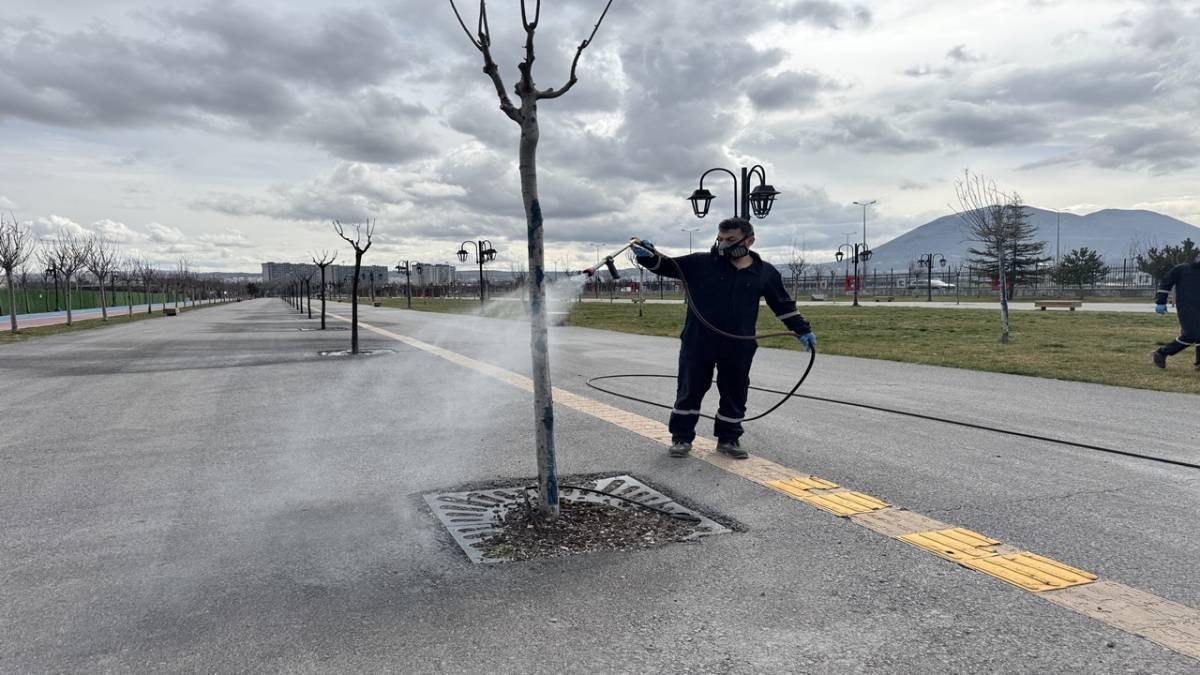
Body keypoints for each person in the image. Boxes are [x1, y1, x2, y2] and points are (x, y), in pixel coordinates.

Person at [634, 217, 815, 460]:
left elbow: (782, 305)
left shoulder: (765, 272)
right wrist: (647, 255)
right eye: (720, 239)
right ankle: (681, 437)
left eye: (730, 239)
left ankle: (729, 439)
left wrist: (802, 330)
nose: (723, 244)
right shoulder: (700, 263)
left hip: (739, 344)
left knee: (735, 391)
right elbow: (665, 266)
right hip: (698, 342)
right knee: (690, 389)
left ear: (749, 241)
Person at [1151, 253, 1200, 371]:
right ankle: (1161, 353)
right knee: (1191, 334)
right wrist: (1161, 302)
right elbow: (1166, 283)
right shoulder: (1181, 269)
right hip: (1187, 307)